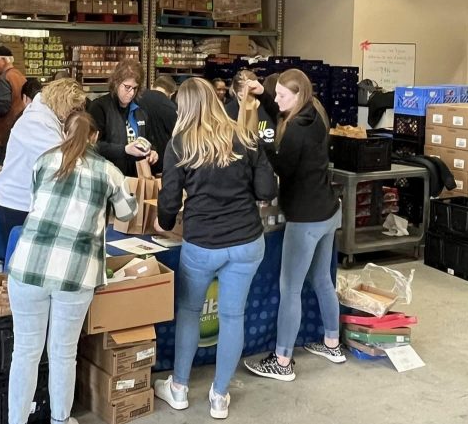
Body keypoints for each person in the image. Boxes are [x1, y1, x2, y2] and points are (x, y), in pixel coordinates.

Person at [151, 78, 277, 420]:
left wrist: (165, 221)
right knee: (233, 316)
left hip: (202, 243)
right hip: (247, 241)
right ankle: (220, 396)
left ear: (184, 107)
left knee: (190, 312)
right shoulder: (244, 137)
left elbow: (168, 204)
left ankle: (178, 388)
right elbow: (267, 189)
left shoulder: (180, 144)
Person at [7, 111, 137, 424]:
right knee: (63, 353)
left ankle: (16, 420)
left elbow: (37, 202)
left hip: (27, 267)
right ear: (95, 137)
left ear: (64, 133)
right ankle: (60, 419)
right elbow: (127, 213)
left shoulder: (44, 161)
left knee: (25, 352)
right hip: (76, 274)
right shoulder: (108, 171)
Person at [243, 69, 345, 382]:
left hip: (305, 220)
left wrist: (258, 145)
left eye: (281, 96)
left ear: (297, 95)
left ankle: (283, 359)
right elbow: (284, 110)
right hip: (328, 211)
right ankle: (332, 343)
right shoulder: (315, 112)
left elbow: (279, 167)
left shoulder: (296, 132)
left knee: (290, 288)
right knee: (322, 278)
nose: (276, 100)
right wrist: (263, 93)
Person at [0, 78, 86, 248]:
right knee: (20, 257)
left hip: (22, 197)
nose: (74, 114)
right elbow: (60, 158)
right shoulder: (38, 122)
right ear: (63, 102)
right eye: (73, 108)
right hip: (17, 201)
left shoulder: (43, 116)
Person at [87, 59, 158, 176]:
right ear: (116, 83)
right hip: (108, 176)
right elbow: (92, 146)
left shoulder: (140, 109)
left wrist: (153, 152)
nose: (131, 93)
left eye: (135, 88)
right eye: (127, 87)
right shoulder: (99, 108)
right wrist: (124, 150)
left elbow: (150, 139)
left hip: (136, 177)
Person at [0, 46, 27, 165]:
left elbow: (1, 108)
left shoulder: (4, 79)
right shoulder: (20, 76)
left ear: (4, 60)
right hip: (17, 135)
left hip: (3, 138)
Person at [225, 70, 277, 148]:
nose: (247, 99)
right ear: (235, 92)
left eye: (251, 94)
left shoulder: (269, 107)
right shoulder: (228, 111)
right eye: (242, 95)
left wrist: (263, 92)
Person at [138, 74, 178, 173]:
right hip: (161, 162)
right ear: (172, 94)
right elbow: (176, 136)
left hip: (138, 158)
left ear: (152, 85)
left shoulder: (137, 98)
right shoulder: (171, 107)